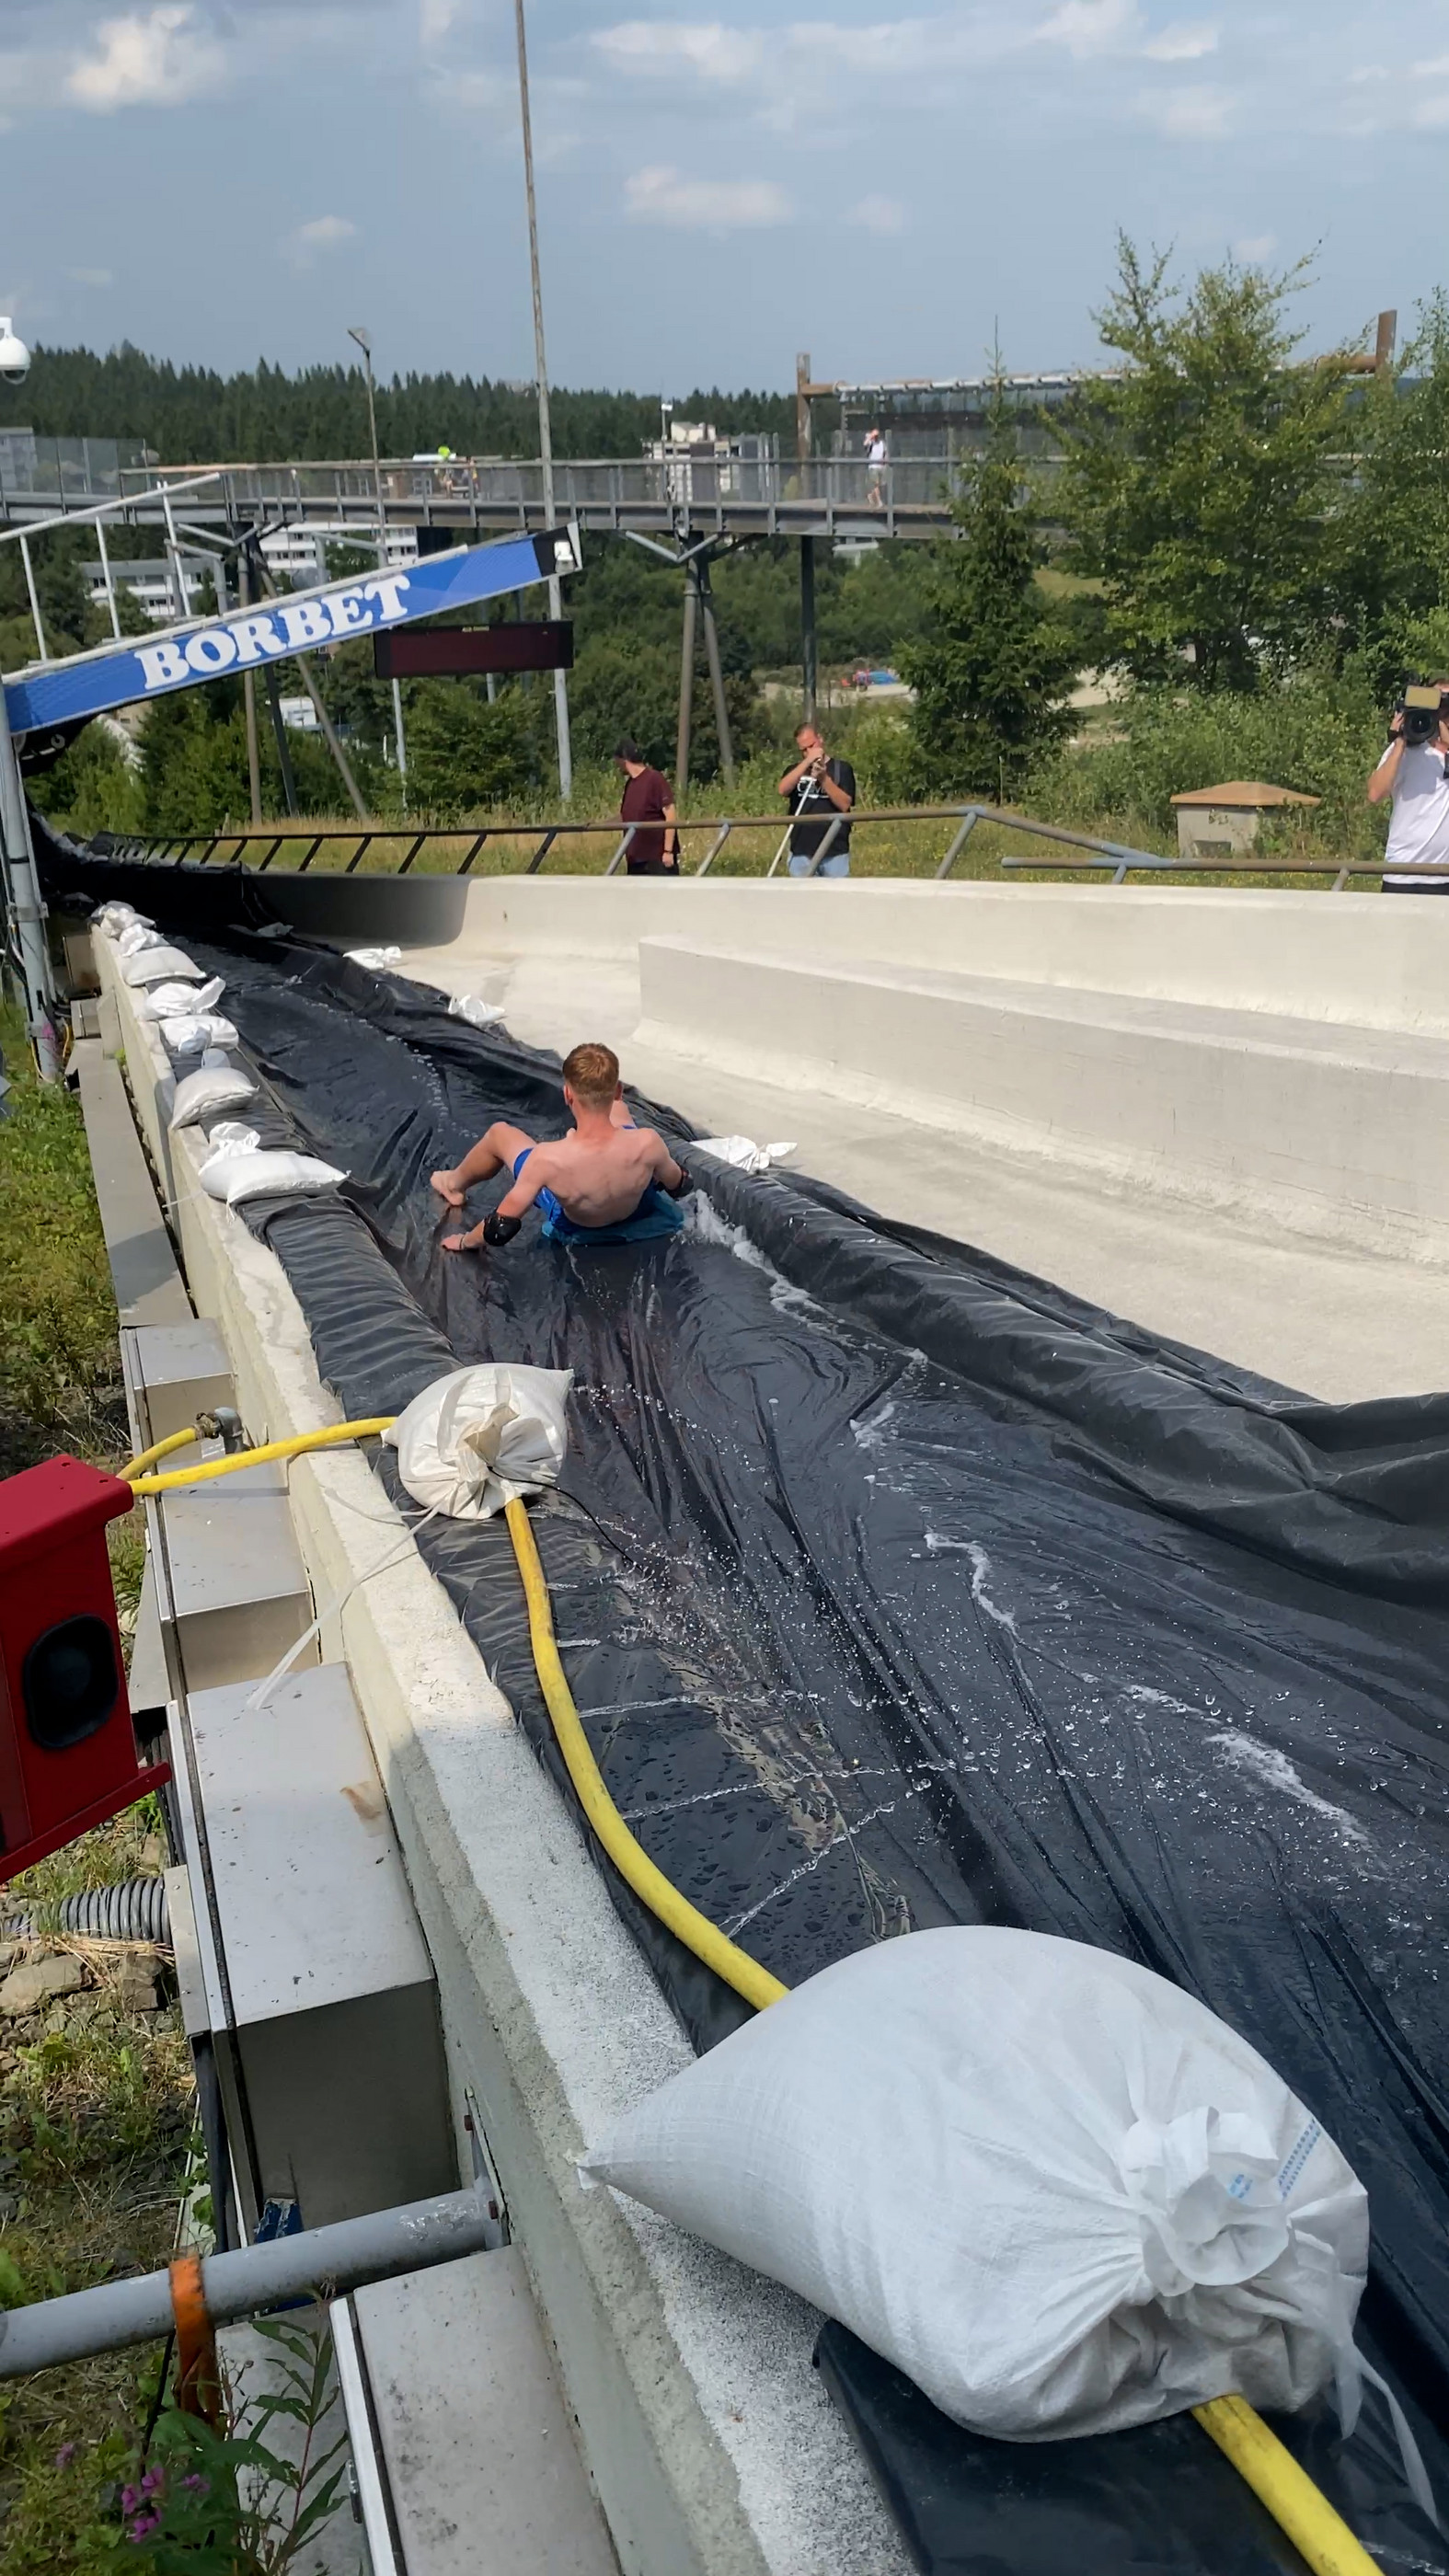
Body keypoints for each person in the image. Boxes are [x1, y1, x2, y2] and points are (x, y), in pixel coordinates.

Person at [430, 1041, 692, 1251]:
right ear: (618, 1091)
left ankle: (452, 1184)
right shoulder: (648, 1142)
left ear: (567, 1094)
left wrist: (465, 1241)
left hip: (581, 1226)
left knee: (501, 1133)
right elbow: (678, 1184)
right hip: (637, 1212)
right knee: (620, 1115)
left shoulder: (547, 1159)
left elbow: (501, 1227)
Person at [1366, 684, 1449, 893]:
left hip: (1443, 875)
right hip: (1402, 872)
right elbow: (1375, 794)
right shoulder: (1403, 753)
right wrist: (1401, 740)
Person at [777, 724, 856, 878]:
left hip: (834, 851)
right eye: (804, 750)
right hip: (801, 851)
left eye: (812, 746)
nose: (809, 752)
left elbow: (845, 804)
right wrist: (807, 763)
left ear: (820, 739)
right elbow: (783, 790)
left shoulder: (842, 768)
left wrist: (823, 779)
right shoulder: (795, 769)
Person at [614, 741, 680, 875]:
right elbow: (627, 814)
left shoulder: (654, 779)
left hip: (656, 857)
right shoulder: (630, 784)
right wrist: (599, 825)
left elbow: (670, 812)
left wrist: (667, 851)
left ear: (623, 760)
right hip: (636, 858)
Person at [864, 422, 888, 508]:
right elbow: (865, 444)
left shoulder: (882, 443)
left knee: (880, 485)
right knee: (876, 484)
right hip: (873, 466)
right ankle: (879, 502)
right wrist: (870, 436)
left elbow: (885, 453)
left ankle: (870, 496)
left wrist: (884, 462)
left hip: (880, 466)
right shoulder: (871, 443)